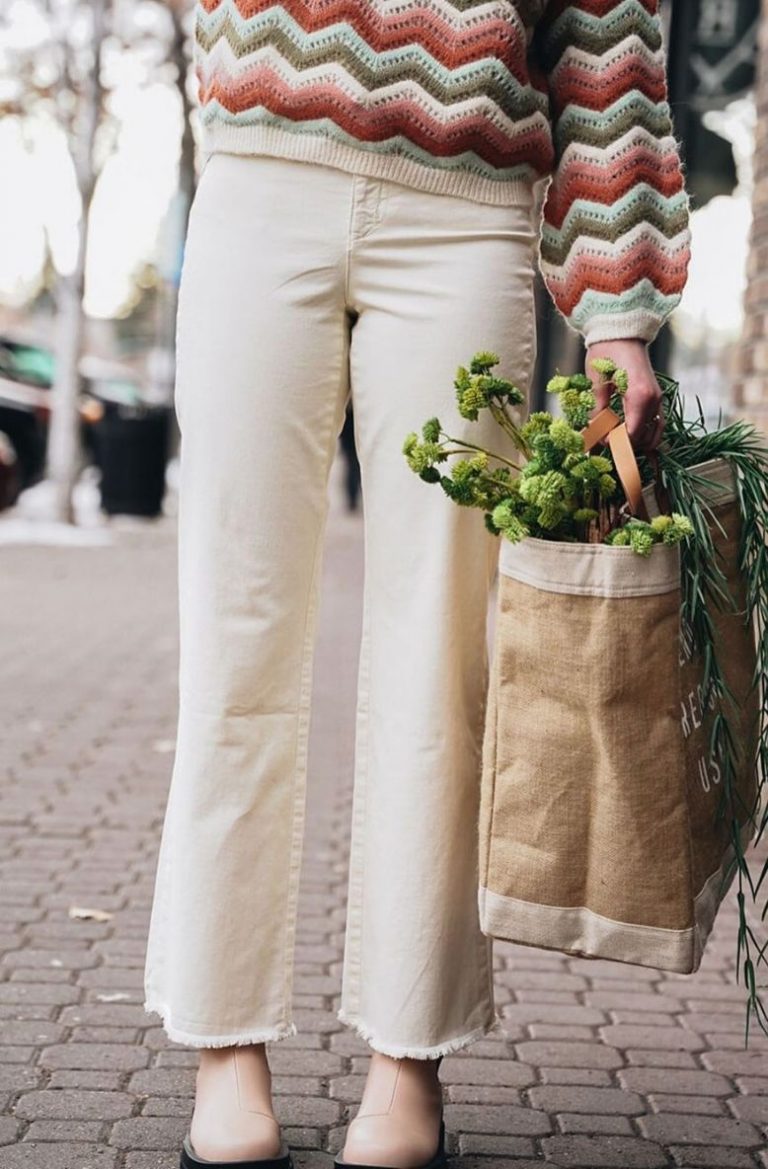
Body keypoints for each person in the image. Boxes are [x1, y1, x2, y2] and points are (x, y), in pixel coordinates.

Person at [144, 2, 691, 1167]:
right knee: (236, 625)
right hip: (261, 167)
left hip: (471, 206)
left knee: (445, 656)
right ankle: (223, 1044)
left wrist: (619, 311)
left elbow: (610, 47)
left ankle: (409, 1057)